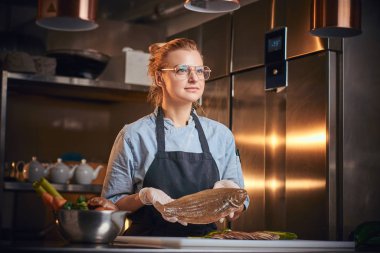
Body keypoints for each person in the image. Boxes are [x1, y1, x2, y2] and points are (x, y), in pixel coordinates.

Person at [101, 38, 249, 237]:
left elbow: (237, 210)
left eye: (199, 70)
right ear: (159, 78)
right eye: (182, 70)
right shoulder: (134, 135)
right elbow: (112, 205)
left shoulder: (221, 136)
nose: (194, 78)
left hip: (205, 247)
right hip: (146, 246)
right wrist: (144, 197)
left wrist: (231, 197)